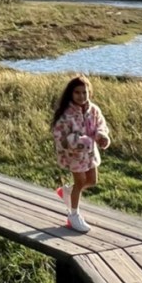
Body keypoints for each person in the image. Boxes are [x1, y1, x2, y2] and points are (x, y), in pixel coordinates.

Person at [51, 74, 110, 233]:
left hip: (90, 154)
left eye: (84, 92)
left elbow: (100, 125)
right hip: (74, 155)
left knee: (92, 180)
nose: (81, 96)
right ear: (71, 93)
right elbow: (60, 136)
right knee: (80, 182)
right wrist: (80, 142)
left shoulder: (93, 110)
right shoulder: (66, 114)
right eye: (77, 92)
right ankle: (73, 215)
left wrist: (101, 136)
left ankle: (67, 192)